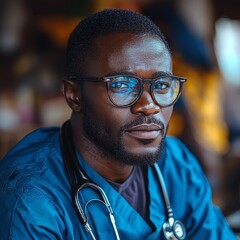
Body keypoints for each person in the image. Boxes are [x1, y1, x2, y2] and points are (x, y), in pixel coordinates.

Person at [0, 9, 237, 240]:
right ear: (74, 95)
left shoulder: (175, 165)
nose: (149, 105)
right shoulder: (30, 198)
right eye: (122, 85)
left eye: (162, 85)